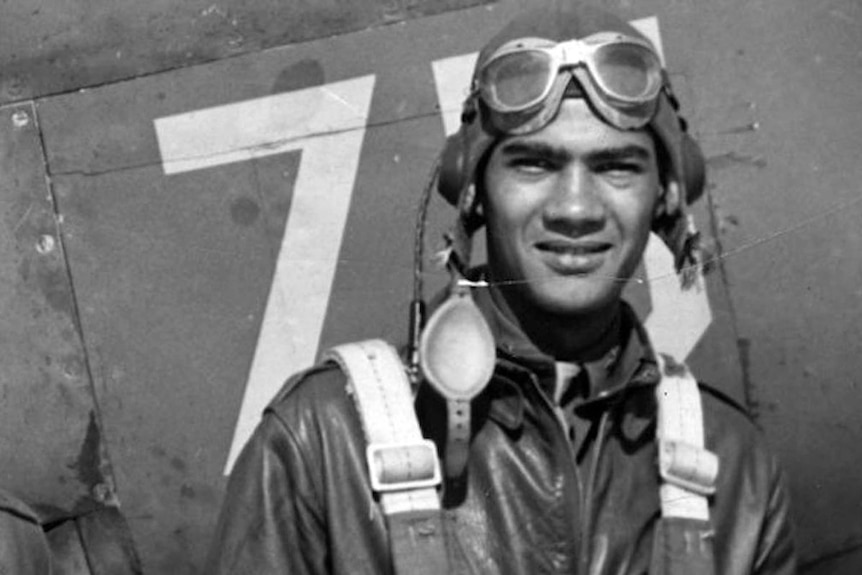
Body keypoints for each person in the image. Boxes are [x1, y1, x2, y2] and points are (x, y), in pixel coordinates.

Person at [206, 2, 797, 573]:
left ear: (667, 197)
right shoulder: (320, 440)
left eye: (616, 167)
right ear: (472, 192)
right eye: (534, 165)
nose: (574, 208)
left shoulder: (735, 467)